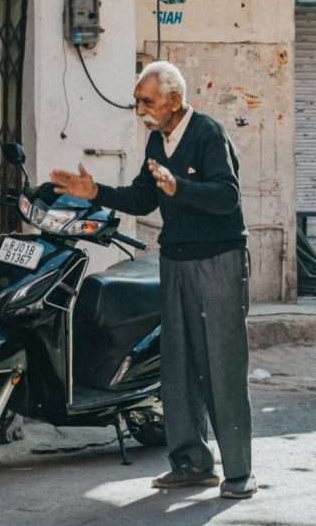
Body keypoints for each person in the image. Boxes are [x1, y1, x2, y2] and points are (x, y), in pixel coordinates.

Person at [50, 60, 256, 500]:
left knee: (221, 362)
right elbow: (144, 198)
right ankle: (191, 464)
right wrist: (96, 193)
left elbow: (227, 197)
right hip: (175, 261)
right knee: (177, 365)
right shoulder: (156, 141)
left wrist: (180, 186)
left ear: (174, 101)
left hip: (219, 259)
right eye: (138, 100)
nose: (139, 107)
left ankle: (238, 471)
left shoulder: (208, 135)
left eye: (147, 100)